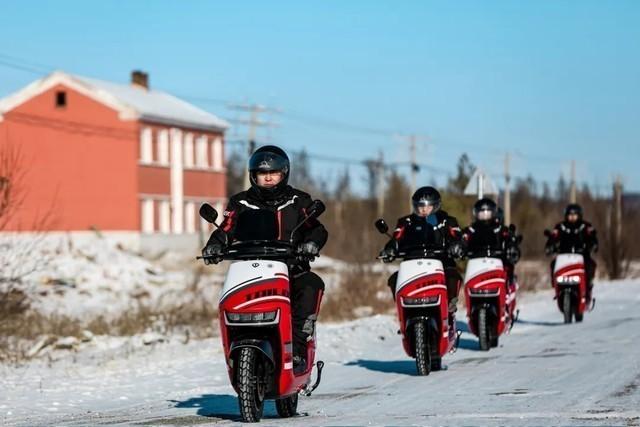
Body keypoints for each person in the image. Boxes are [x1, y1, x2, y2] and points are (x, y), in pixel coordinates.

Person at [202, 145, 328, 372]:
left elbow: (317, 230)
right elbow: (226, 229)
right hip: (251, 269)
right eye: (262, 173)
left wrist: (311, 244)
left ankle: (298, 347)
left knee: (311, 284)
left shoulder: (298, 200)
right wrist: (214, 246)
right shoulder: (241, 202)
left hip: (291, 268)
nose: (268, 177)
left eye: (274, 173)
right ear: (253, 175)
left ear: (284, 173)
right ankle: (236, 348)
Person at [380, 186, 464, 313]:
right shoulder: (406, 222)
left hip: (441, 261)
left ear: (436, 205)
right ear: (415, 206)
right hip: (412, 263)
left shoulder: (447, 220)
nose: (424, 209)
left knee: (452, 274)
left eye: (428, 206)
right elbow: (396, 239)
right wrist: (389, 250)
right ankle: (403, 309)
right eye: (420, 206)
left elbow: (456, 236)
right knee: (394, 278)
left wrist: (456, 246)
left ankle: (449, 305)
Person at [461, 198, 522, 289]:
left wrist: (512, 245)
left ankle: (509, 284)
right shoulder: (472, 229)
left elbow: (509, 237)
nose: (484, 216)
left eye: (487, 213)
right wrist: (458, 245)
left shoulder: (500, 229)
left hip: (496, 261)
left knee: (507, 268)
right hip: (475, 263)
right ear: (476, 213)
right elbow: (462, 238)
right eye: (481, 213)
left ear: (493, 213)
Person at [545, 203, 598, 302]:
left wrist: (593, 244)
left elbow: (592, 237)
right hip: (563, 256)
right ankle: (557, 286)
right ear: (566, 215)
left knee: (590, 264)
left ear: (579, 215)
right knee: (553, 264)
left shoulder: (585, 226)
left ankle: (587, 286)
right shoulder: (560, 226)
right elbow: (553, 237)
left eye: (574, 215)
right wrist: (550, 246)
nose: (572, 218)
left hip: (582, 255)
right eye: (570, 215)